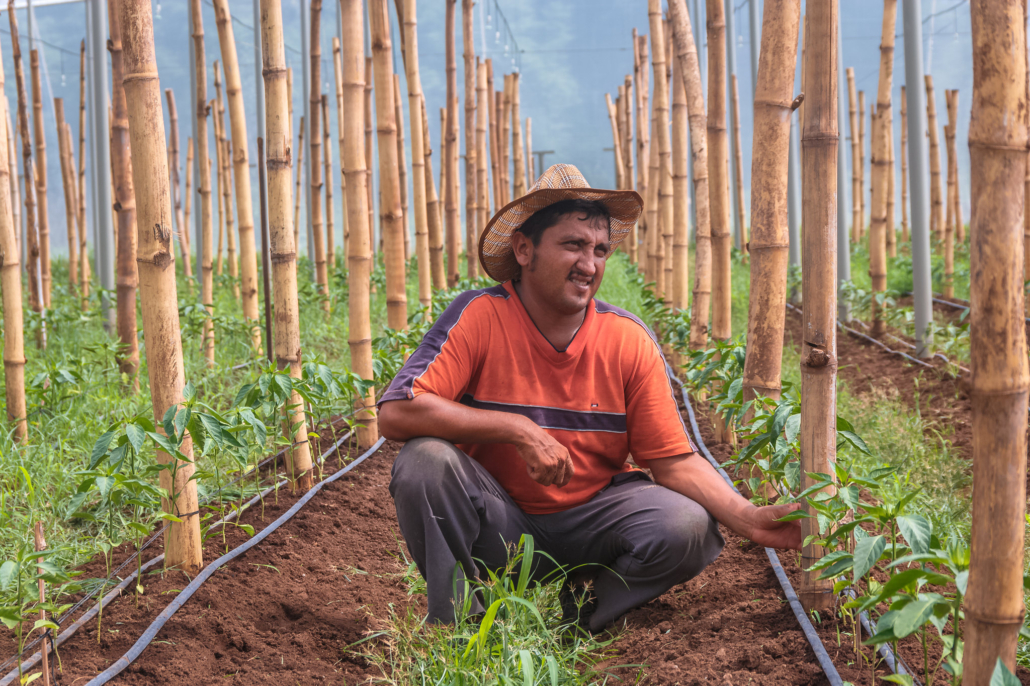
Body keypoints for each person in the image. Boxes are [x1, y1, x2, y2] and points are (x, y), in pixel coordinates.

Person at [378, 164, 801, 633]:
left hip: (596, 523)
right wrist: (518, 429)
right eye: (573, 245)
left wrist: (751, 519)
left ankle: (582, 615)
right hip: (500, 526)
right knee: (425, 461)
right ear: (524, 249)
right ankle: (459, 623)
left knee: (686, 525)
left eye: (600, 250)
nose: (589, 264)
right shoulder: (480, 316)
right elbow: (398, 412)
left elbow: (673, 461)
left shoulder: (626, 339)